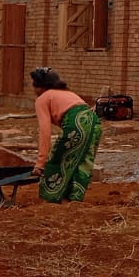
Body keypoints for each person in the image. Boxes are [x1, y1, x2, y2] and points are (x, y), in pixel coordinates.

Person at [29, 67, 102, 202]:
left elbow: (45, 131)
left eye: (34, 85)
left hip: (77, 124)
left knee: (56, 159)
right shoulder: (66, 93)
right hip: (94, 122)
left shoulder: (43, 98)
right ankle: (73, 199)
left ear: (40, 86)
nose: (33, 90)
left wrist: (40, 163)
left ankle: (52, 197)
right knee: (83, 161)